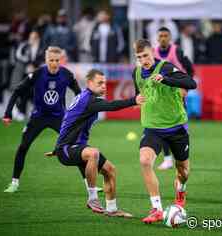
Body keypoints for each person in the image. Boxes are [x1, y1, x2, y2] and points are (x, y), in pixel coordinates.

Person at [46, 69, 145, 217]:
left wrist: (56, 148)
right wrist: (133, 100)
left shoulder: (85, 97)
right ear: (90, 83)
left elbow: (68, 121)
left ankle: (112, 209)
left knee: (110, 170)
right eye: (100, 83)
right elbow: (111, 106)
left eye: (104, 83)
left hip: (73, 147)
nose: (104, 86)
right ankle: (92, 198)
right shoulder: (89, 100)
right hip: (68, 149)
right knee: (94, 153)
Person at [2, 46, 100, 193]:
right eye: (51, 60)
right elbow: (17, 90)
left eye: (57, 60)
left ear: (61, 60)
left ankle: (89, 185)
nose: (54, 63)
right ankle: (14, 183)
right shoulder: (37, 74)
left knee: (75, 147)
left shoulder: (66, 74)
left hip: (59, 117)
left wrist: (81, 112)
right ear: (46, 60)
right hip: (38, 117)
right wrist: (8, 113)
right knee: (23, 146)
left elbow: (79, 94)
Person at [132, 39, 196, 223]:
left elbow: (191, 83)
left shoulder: (166, 67)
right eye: (139, 57)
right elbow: (140, 93)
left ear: (152, 52)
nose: (143, 60)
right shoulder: (136, 73)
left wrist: (166, 79)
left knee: (183, 171)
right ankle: (157, 209)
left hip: (176, 127)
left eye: (145, 55)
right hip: (153, 128)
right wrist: (138, 100)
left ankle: (180, 194)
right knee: (144, 160)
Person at [154, 26, 194, 170]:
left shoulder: (176, 51)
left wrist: (185, 87)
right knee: (162, 123)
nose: (163, 38)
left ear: (170, 38)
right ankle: (167, 159)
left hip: (177, 92)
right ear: (157, 38)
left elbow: (190, 69)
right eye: (161, 36)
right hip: (162, 93)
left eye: (166, 35)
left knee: (180, 123)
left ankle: (182, 155)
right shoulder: (153, 53)